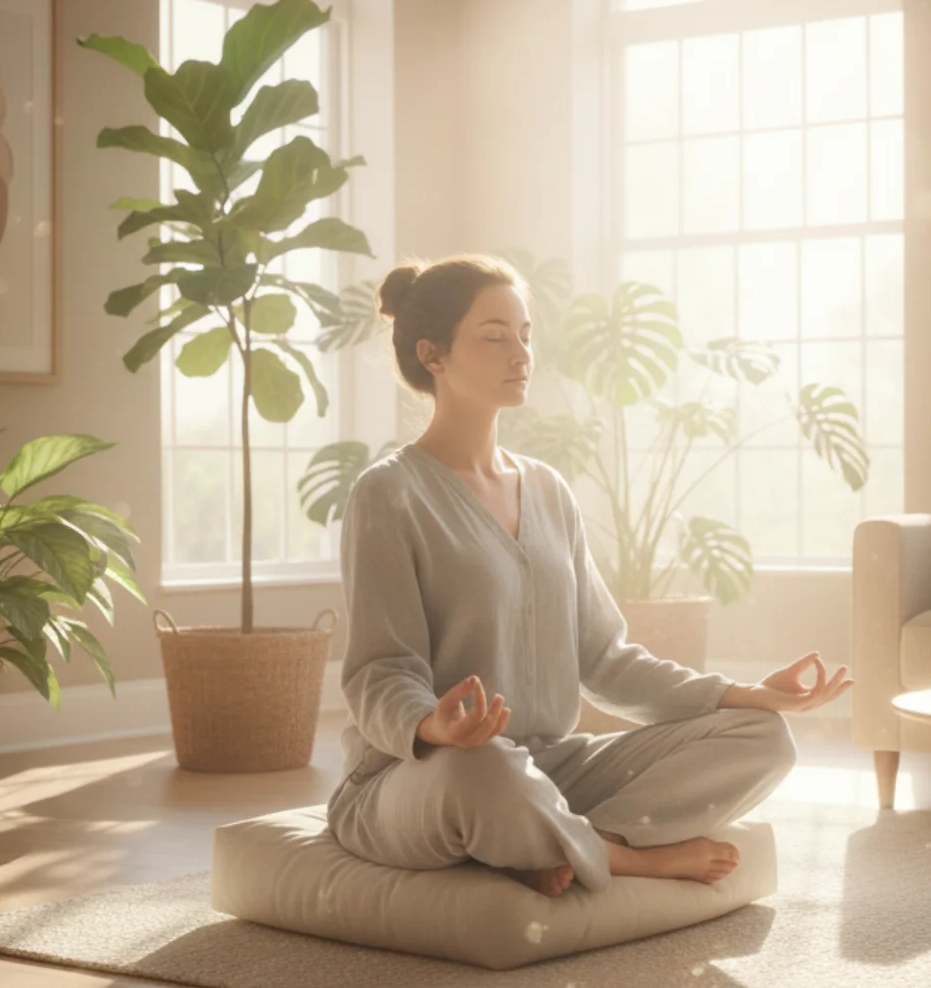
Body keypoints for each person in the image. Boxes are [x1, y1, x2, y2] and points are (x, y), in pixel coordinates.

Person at [326, 254, 854, 897]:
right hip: (427, 775)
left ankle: (578, 841)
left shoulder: (548, 491)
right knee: (485, 768)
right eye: (495, 337)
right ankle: (621, 854)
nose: (520, 353)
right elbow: (379, 671)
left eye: (525, 334)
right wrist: (434, 727)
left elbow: (606, 659)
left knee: (765, 738)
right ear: (432, 355)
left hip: (552, 769)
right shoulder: (389, 494)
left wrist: (744, 695)